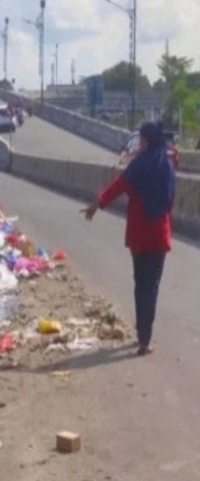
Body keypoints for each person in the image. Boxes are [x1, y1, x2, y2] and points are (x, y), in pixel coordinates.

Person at [82, 121, 175, 356]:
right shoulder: (166, 166)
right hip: (158, 234)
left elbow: (118, 186)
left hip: (138, 234)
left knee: (140, 283)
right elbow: (170, 200)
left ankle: (142, 331)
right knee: (151, 286)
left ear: (149, 141)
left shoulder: (138, 165)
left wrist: (98, 203)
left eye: (142, 139)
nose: (140, 143)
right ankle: (145, 338)